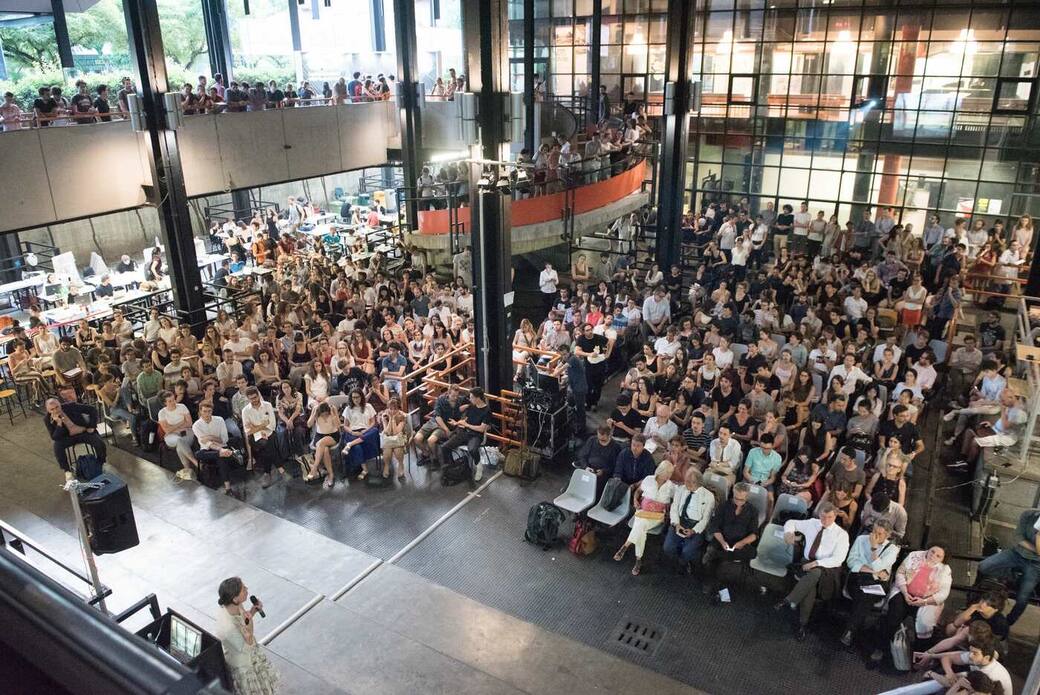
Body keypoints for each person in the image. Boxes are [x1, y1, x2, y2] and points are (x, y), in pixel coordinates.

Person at [776, 501, 851, 640]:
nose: (825, 521)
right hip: (807, 562)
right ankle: (802, 624)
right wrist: (788, 533)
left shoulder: (841, 535)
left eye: (829, 517)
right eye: (823, 517)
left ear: (835, 517)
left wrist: (817, 563)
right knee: (810, 587)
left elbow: (838, 559)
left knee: (815, 572)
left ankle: (789, 601)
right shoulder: (813, 523)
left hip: (828, 569)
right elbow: (791, 522)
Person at [871, 544, 952, 664]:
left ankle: (919, 656)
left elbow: (944, 593)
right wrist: (904, 592)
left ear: (943, 559)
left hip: (926, 601)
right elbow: (900, 572)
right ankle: (881, 648)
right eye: (932, 551)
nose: (933, 556)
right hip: (904, 592)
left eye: (938, 556)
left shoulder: (945, 570)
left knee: (924, 624)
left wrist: (924, 601)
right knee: (893, 617)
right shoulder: (914, 555)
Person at [975, 508, 1040, 626]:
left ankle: (1008, 623)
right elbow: (1018, 537)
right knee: (984, 566)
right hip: (1016, 553)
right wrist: (1036, 549)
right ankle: (976, 598)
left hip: (1036, 564)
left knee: (1022, 598)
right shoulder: (1028, 515)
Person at [214, 577, 279, 695]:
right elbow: (246, 646)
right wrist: (250, 627)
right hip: (244, 663)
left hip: (249, 651)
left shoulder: (234, 605)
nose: (247, 589)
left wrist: (252, 611)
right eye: (243, 589)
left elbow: (243, 621)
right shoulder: (227, 627)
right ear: (234, 598)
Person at [841, 519, 900, 647]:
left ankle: (850, 630)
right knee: (864, 598)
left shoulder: (893, 550)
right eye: (873, 531)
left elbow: (879, 566)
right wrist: (871, 570)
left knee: (864, 597)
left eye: (879, 534)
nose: (874, 536)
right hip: (858, 577)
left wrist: (873, 548)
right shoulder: (861, 539)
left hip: (877, 583)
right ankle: (855, 632)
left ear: (887, 535)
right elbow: (851, 562)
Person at [613, 461, 676, 576]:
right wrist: (635, 500)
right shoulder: (648, 479)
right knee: (641, 527)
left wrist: (669, 509)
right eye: (668, 473)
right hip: (643, 511)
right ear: (661, 472)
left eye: (670, 473)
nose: (669, 476)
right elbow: (638, 491)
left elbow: (676, 500)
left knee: (640, 525)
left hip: (656, 516)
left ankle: (625, 546)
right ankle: (638, 560)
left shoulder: (671, 486)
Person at [702, 482, 759, 597]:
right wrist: (723, 542)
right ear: (733, 494)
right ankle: (718, 585)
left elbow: (754, 534)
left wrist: (741, 543)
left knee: (717, 557)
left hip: (740, 543)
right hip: (722, 540)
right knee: (716, 557)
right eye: (736, 498)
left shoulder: (753, 511)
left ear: (747, 497)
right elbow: (714, 527)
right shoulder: (723, 506)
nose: (738, 502)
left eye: (742, 500)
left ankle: (719, 577)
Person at [662, 468, 714, 573]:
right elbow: (674, 508)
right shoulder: (681, 489)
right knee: (668, 548)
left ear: (699, 482)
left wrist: (694, 530)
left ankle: (683, 563)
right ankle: (676, 561)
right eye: (686, 481)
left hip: (695, 525)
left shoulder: (708, 496)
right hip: (679, 522)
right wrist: (676, 524)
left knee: (688, 551)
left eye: (691, 482)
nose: (687, 484)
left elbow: (706, 519)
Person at [44, 395, 108, 481]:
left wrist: (92, 426)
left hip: (83, 432)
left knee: (99, 442)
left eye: (57, 407)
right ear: (48, 410)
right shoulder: (47, 419)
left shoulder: (71, 406)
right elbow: (54, 437)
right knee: (57, 446)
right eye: (52, 409)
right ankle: (67, 471)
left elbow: (92, 409)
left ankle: (101, 462)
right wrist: (59, 424)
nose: (56, 410)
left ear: (60, 404)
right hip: (68, 437)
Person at [439, 387, 491, 481]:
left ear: (477, 398)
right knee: (445, 447)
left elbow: (482, 429)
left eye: (471, 397)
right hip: (465, 432)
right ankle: (450, 468)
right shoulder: (472, 406)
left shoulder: (486, 411)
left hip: (476, 435)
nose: (470, 399)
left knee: (472, 450)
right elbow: (466, 420)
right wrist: (457, 423)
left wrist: (467, 425)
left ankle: (479, 466)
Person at [242, 386, 288, 488]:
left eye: (255, 397)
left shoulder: (267, 405)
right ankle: (280, 468)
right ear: (248, 399)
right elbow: (248, 431)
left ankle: (267, 473)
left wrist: (256, 427)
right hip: (254, 437)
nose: (254, 400)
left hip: (269, 433)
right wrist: (262, 426)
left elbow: (272, 425)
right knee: (266, 444)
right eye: (251, 398)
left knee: (266, 445)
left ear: (258, 395)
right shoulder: (245, 411)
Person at [193, 401, 241, 495]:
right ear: (200, 412)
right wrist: (220, 450)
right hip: (208, 450)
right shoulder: (196, 425)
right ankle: (225, 454)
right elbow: (206, 444)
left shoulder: (219, 420)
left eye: (209, 411)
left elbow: (224, 439)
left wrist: (210, 437)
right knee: (198, 454)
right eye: (205, 411)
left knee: (221, 457)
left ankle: (228, 488)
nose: (207, 414)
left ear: (212, 411)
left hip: (222, 447)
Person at [414, 384, 462, 465]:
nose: (455, 398)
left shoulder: (460, 400)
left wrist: (467, 406)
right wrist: (446, 430)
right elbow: (437, 416)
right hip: (434, 422)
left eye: (457, 396)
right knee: (417, 439)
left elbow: (470, 403)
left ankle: (435, 458)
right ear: (448, 393)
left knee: (431, 441)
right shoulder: (441, 399)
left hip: (445, 425)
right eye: (453, 396)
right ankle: (426, 454)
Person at [158, 389, 198, 480]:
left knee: (180, 444)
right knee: (179, 440)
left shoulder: (182, 407)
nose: (173, 402)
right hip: (171, 437)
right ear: (165, 403)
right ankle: (195, 462)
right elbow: (166, 430)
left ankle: (188, 470)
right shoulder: (162, 413)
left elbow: (189, 423)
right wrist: (181, 423)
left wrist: (173, 428)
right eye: (170, 401)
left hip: (186, 432)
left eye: (174, 399)